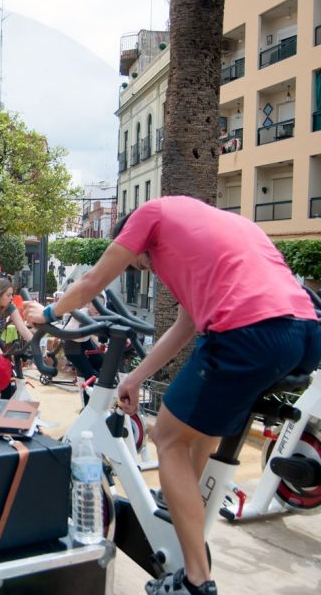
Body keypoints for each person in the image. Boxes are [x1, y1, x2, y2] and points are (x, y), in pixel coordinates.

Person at [24, 196, 321, 595]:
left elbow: (93, 281)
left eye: (138, 262)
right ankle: (185, 512)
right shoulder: (228, 227)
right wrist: (135, 378)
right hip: (303, 334)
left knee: (167, 437)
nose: (144, 267)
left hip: (248, 332)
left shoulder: (151, 214)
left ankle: (196, 581)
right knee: (198, 428)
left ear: (131, 238)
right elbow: (185, 326)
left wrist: (47, 314)